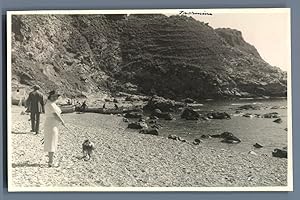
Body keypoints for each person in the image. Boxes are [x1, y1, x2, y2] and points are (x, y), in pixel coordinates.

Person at [43, 90, 66, 167]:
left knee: (52, 141)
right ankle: (50, 162)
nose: (57, 98)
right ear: (51, 96)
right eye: (56, 96)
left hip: (53, 124)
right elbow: (55, 115)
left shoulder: (52, 103)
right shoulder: (50, 104)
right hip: (51, 125)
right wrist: (62, 121)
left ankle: (51, 159)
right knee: (51, 142)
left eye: (57, 96)